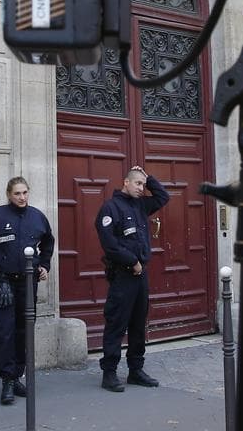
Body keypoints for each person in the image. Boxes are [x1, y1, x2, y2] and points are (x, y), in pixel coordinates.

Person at [0, 176, 55, 405]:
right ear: (9, 194)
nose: (22, 197)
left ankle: (17, 377)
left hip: (27, 284)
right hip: (2, 283)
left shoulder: (37, 217)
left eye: (25, 192)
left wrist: (44, 266)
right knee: (5, 332)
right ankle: (6, 381)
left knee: (23, 332)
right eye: (17, 193)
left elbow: (48, 243)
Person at [95, 165, 170, 392]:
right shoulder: (111, 208)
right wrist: (132, 261)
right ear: (125, 182)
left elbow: (163, 197)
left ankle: (135, 370)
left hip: (140, 277)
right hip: (123, 275)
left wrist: (149, 179)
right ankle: (109, 373)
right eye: (137, 183)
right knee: (117, 323)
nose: (141, 188)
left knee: (138, 324)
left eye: (142, 185)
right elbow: (110, 244)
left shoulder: (141, 205)